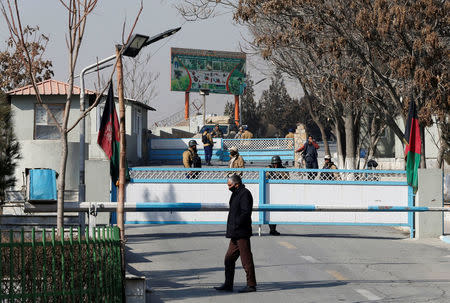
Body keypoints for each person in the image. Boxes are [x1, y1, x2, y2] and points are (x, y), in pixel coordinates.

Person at [214, 174, 257, 293]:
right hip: (235, 233)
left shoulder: (245, 194)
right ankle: (228, 284)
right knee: (229, 258)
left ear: (236, 184)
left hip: (241, 232)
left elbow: (245, 212)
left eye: (230, 185)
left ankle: (251, 285)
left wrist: (237, 224)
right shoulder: (236, 193)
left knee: (246, 259)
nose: (228, 187)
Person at [266, 155, 289, 236]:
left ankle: (273, 229)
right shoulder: (268, 168)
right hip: (269, 191)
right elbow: (264, 177)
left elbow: (287, 179)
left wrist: (280, 172)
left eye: (277, 164)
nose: (275, 165)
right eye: (274, 164)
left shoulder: (283, 169)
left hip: (279, 192)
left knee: (275, 211)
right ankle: (271, 229)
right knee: (269, 211)